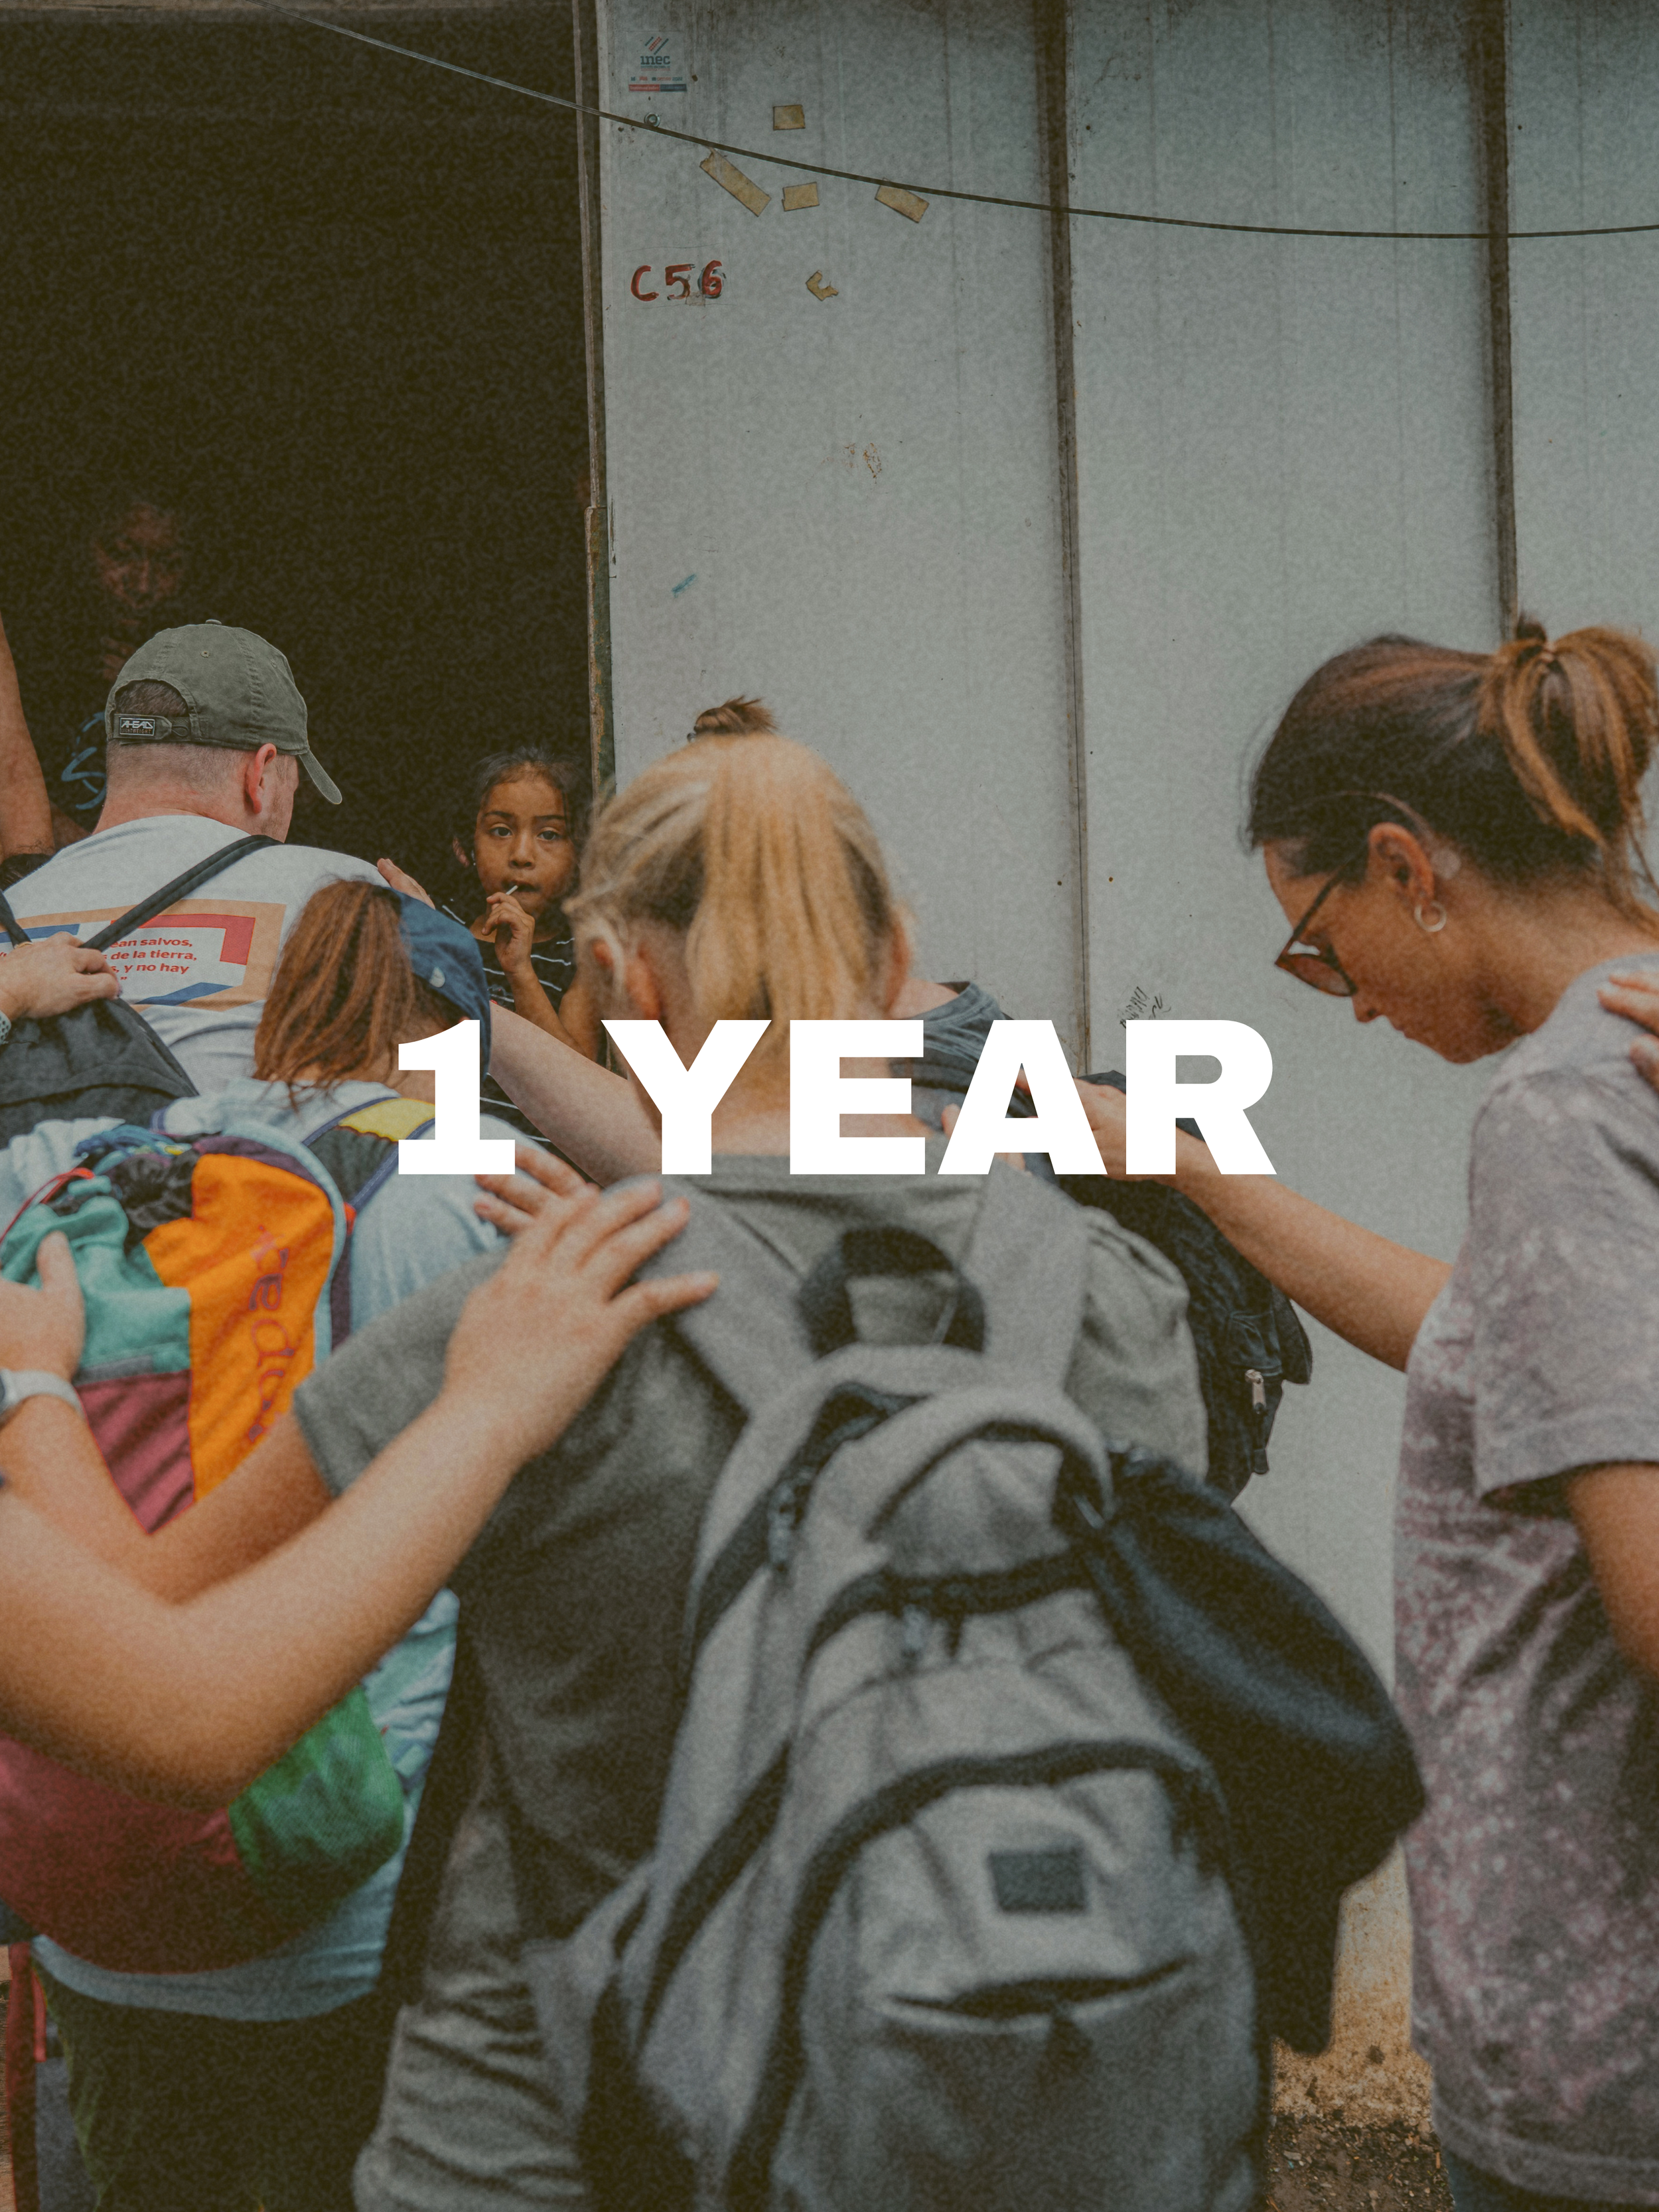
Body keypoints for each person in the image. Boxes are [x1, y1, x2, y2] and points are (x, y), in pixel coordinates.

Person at [286, 734, 1206, 2211]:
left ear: (619, 983)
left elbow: (195, 1673)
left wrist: (34, 1390)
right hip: (966, 2073)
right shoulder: (1108, 1297)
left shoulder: (531, 1327)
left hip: (568, 2114)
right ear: (900, 956)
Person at [1076, 619, 1659, 2212]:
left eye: (1317, 945)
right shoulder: (1629, 1042)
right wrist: (1204, 1174)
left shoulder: (1561, 1110)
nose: (1339, 1003)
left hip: (1601, 2056)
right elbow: (1505, 1346)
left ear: (1408, 866)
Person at [0, 883, 541, 2212]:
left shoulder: (94, 1158)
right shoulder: (455, 1180)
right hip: (336, 1899)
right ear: (450, 1036)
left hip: (97, 1895)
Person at [7, 619, 385, 1096]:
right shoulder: (344, 895)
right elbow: (452, 1151)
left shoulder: (11, 908)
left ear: (117, 759)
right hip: (228, 1168)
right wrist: (446, 964)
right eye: (292, 783)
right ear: (261, 773)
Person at [7, 492, 204, 849]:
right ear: (82, 543)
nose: (142, 585)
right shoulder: (29, 645)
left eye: (170, 564)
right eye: (121, 554)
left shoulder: (206, 657)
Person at [443, 748, 599, 1089]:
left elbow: (582, 1088)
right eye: (501, 831)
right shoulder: (441, 931)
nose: (522, 855)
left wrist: (520, 972)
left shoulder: (581, 958)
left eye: (549, 835)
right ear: (465, 846)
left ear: (581, 854)